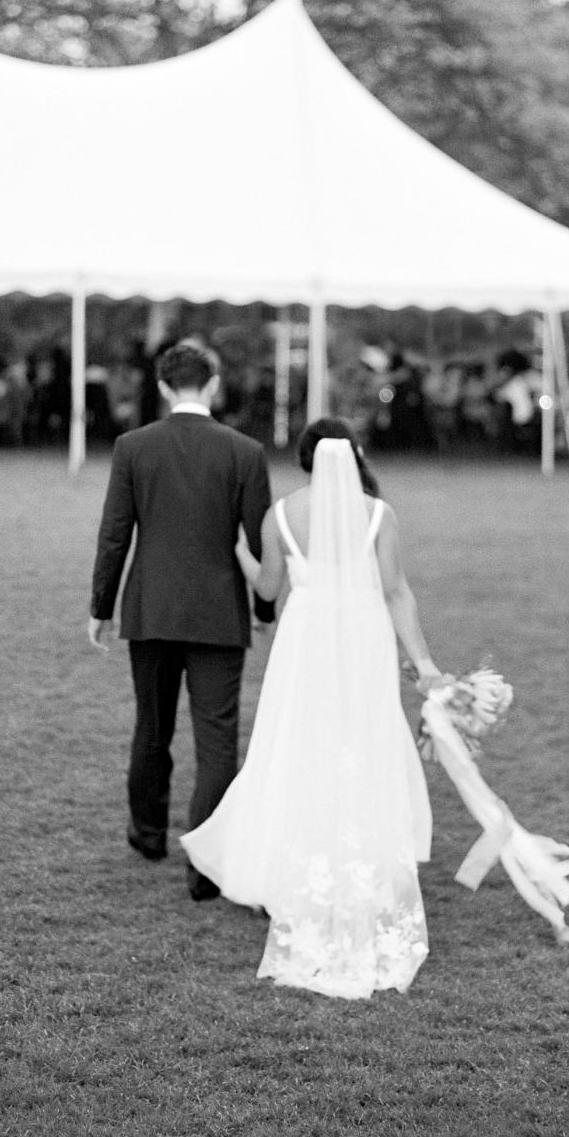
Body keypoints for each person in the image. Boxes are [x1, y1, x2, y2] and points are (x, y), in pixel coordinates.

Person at [182, 418, 441, 1000]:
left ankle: (290, 874)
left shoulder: (280, 515)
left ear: (303, 460)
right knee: (361, 744)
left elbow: (270, 591)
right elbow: (397, 590)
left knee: (299, 747)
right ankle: (360, 874)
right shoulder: (380, 514)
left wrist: (243, 554)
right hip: (364, 641)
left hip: (304, 644)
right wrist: (423, 664)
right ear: (355, 455)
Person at [88, 342, 274, 902]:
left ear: (166, 387)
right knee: (217, 741)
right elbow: (260, 541)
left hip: (151, 608)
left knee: (153, 726)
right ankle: (205, 865)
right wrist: (265, 611)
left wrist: (101, 607)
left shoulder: (133, 447)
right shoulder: (245, 452)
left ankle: (148, 835)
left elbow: (115, 532)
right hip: (219, 612)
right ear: (213, 384)